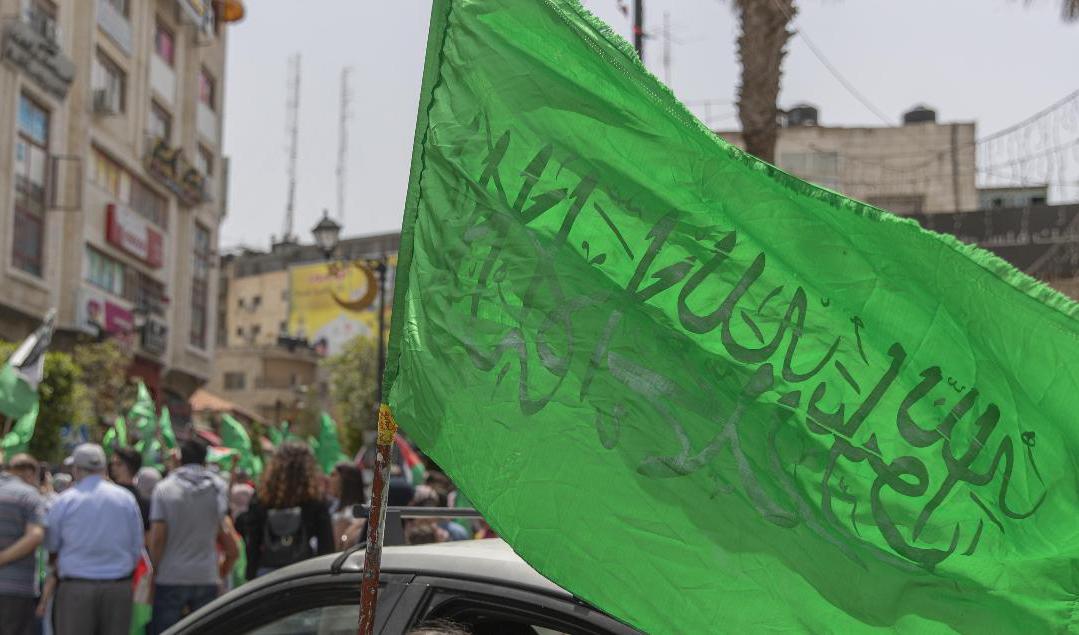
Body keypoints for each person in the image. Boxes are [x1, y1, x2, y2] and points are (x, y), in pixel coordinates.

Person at [45, 444, 143, 635]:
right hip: (118, 588)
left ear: (76, 469)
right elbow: (136, 546)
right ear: (104, 468)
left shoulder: (65, 501)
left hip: (76, 589)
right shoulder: (125, 499)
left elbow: (52, 545)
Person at [148, 438, 237, 635]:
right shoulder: (218, 488)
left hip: (170, 576)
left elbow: (157, 538)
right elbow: (228, 538)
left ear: (179, 458)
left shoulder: (164, 489)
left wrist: (155, 570)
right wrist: (220, 573)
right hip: (206, 576)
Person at [244, 442, 333, 579]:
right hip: (304, 572)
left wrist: (251, 574)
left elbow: (252, 542)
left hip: (267, 574)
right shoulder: (315, 500)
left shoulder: (262, 498)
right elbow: (326, 545)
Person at [0, 454, 46, 635]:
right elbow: (35, 535)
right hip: (16, 589)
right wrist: (3, 557)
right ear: (29, 473)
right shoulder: (28, 495)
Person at [109, 447, 151, 532]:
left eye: (118, 464)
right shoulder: (108, 493)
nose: (113, 467)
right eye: (112, 464)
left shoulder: (141, 500)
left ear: (130, 466)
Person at [329, 462, 367, 550]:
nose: (329, 479)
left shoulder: (350, 514)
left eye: (333, 475)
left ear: (345, 480)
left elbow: (336, 546)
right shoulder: (334, 507)